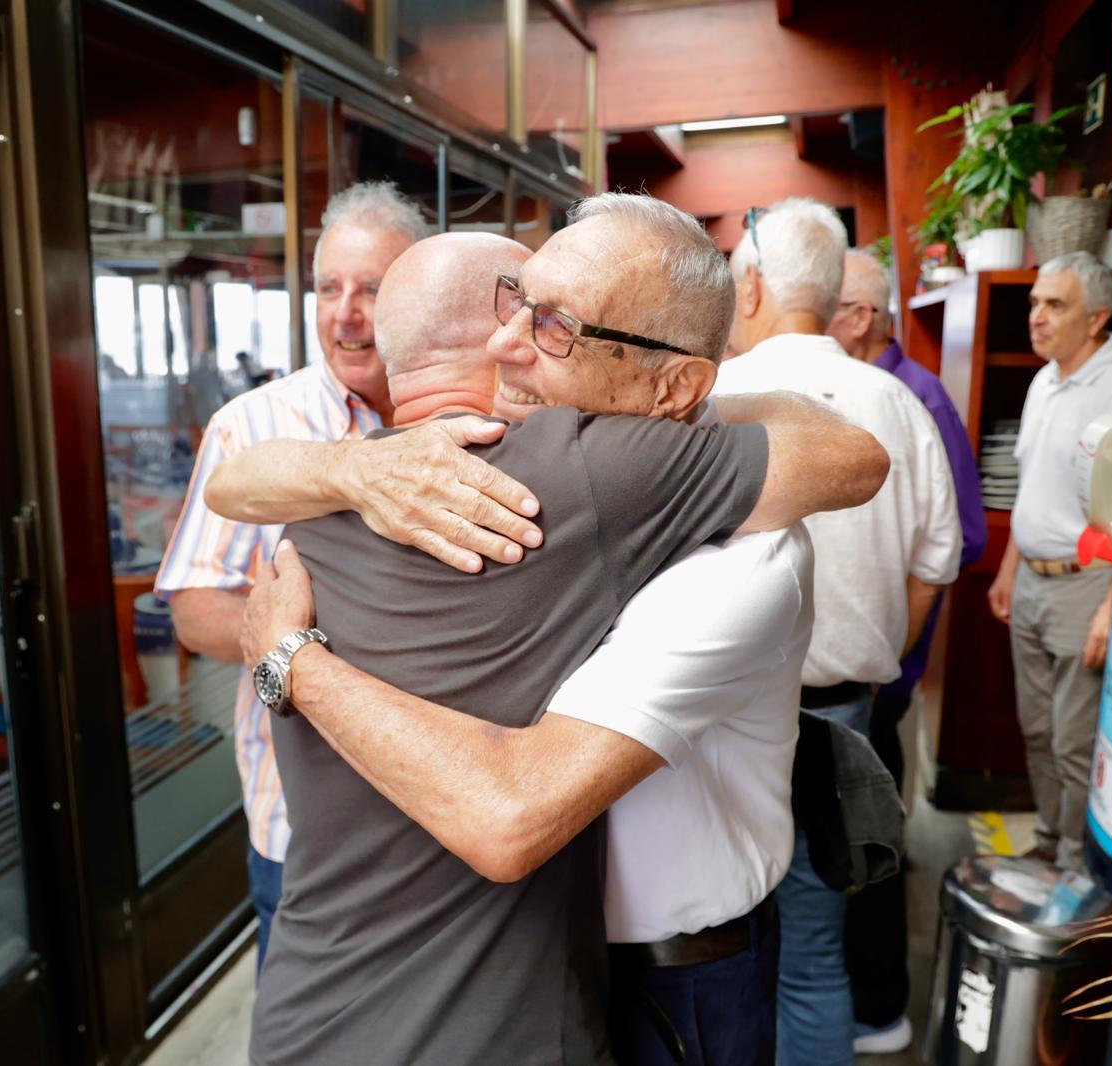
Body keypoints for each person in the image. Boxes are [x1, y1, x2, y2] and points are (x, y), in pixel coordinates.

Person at [212, 198, 889, 1063]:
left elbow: (853, 457)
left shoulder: (650, 504)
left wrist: (290, 659)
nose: (509, 344)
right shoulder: (404, 479)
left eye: (557, 326)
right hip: (519, 991)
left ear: (674, 387)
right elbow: (237, 477)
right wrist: (346, 463)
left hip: (662, 977)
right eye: (514, 303)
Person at [153, 181, 431, 971]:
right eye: (328, 288)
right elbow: (195, 609)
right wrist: (315, 642)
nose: (346, 313)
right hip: (303, 830)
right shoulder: (249, 428)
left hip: (440, 818)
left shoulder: (464, 415)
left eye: (372, 289)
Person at [718, 198, 962, 1066]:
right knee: (815, 955)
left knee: (722, 951)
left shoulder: (715, 397)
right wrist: (887, 659)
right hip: (843, 718)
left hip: (713, 725)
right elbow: (939, 559)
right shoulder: (895, 400)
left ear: (751, 284)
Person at [828, 249, 988, 1053]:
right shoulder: (860, 389)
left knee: (868, 857)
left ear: (857, 315)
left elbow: (958, 537)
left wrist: (888, 651)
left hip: (877, 680)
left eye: (822, 303)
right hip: (869, 673)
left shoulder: (912, 397)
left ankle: (880, 1011)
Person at [986, 251, 1112, 873]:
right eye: (1035, 303)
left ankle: (1074, 865)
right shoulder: (1047, 378)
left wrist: (1111, 605)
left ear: (1097, 319)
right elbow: (1031, 483)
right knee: (1035, 729)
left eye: (1054, 305)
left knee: (1073, 742)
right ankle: (1047, 840)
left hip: (1084, 584)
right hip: (1034, 583)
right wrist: (1010, 567)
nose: (1036, 317)